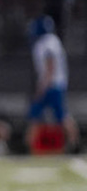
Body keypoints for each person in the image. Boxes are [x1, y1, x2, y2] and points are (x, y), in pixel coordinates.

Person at [28, 16, 77, 152]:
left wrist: (42, 86)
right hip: (57, 84)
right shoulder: (54, 41)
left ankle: (30, 146)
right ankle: (74, 144)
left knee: (41, 115)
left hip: (51, 85)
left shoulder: (46, 43)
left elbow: (50, 67)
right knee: (60, 116)